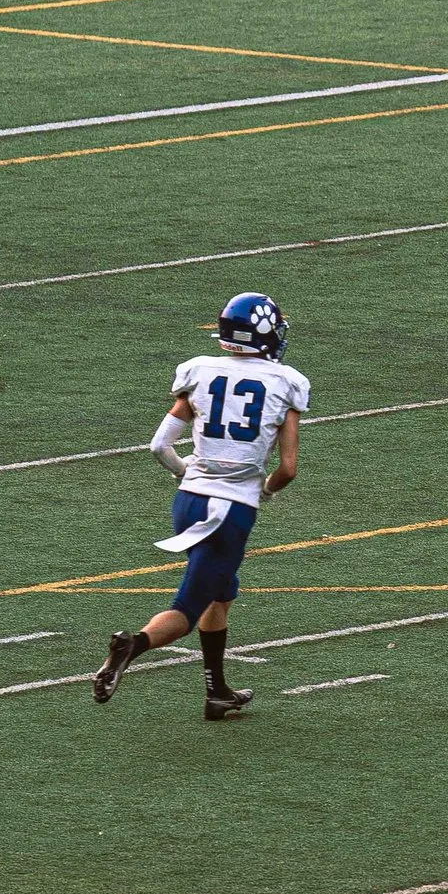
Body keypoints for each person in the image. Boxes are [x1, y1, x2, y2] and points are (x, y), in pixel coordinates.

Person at [91, 293, 307, 720]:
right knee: (187, 609)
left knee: (220, 593)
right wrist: (262, 491)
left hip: (189, 501)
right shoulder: (286, 382)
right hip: (230, 510)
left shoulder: (200, 371)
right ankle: (132, 646)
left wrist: (184, 472)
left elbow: (160, 446)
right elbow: (288, 469)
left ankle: (217, 691)